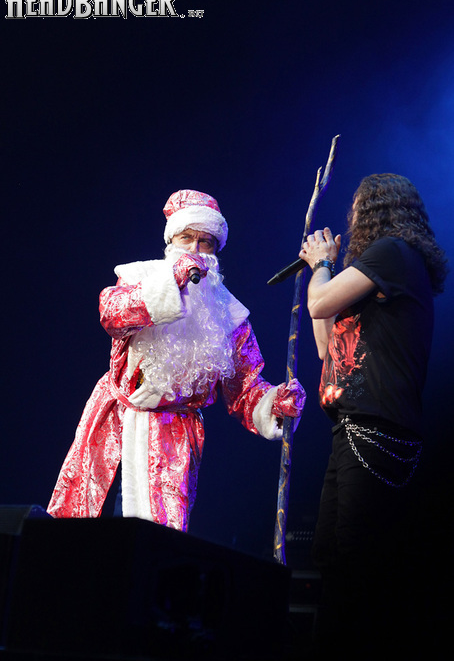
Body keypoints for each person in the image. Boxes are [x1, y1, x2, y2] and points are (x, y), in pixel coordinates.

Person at [48, 189, 305, 532]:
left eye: (206, 242)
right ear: (172, 242)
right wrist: (171, 285)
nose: (196, 251)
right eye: (187, 239)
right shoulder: (139, 278)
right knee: (79, 531)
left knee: (151, 544)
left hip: (172, 441)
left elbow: (245, 390)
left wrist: (274, 404)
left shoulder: (229, 315)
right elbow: (112, 315)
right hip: (114, 422)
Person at [298, 174, 448, 659]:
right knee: (330, 552)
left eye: (357, 208)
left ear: (375, 210)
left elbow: (318, 301)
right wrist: (326, 271)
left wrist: (322, 266)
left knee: (356, 557)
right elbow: (326, 347)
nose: (351, 218)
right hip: (352, 428)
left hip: (378, 429)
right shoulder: (379, 275)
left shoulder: (393, 252)